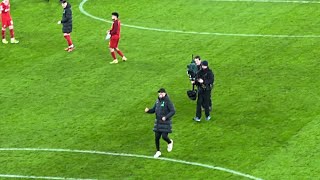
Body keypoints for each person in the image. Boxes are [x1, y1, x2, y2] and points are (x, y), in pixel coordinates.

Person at [145, 88, 175, 158]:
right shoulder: (157, 101)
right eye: (159, 93)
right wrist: (148, 110)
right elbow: (153, 110)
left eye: (162, 93)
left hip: (165, 122)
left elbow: (173, 111)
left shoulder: (168, 101)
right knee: (157, 138)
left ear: (165, 93)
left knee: (164, 137)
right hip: (158, 122)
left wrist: (166, 117)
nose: (160, 94)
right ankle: (158, 151)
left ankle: (170, 142)